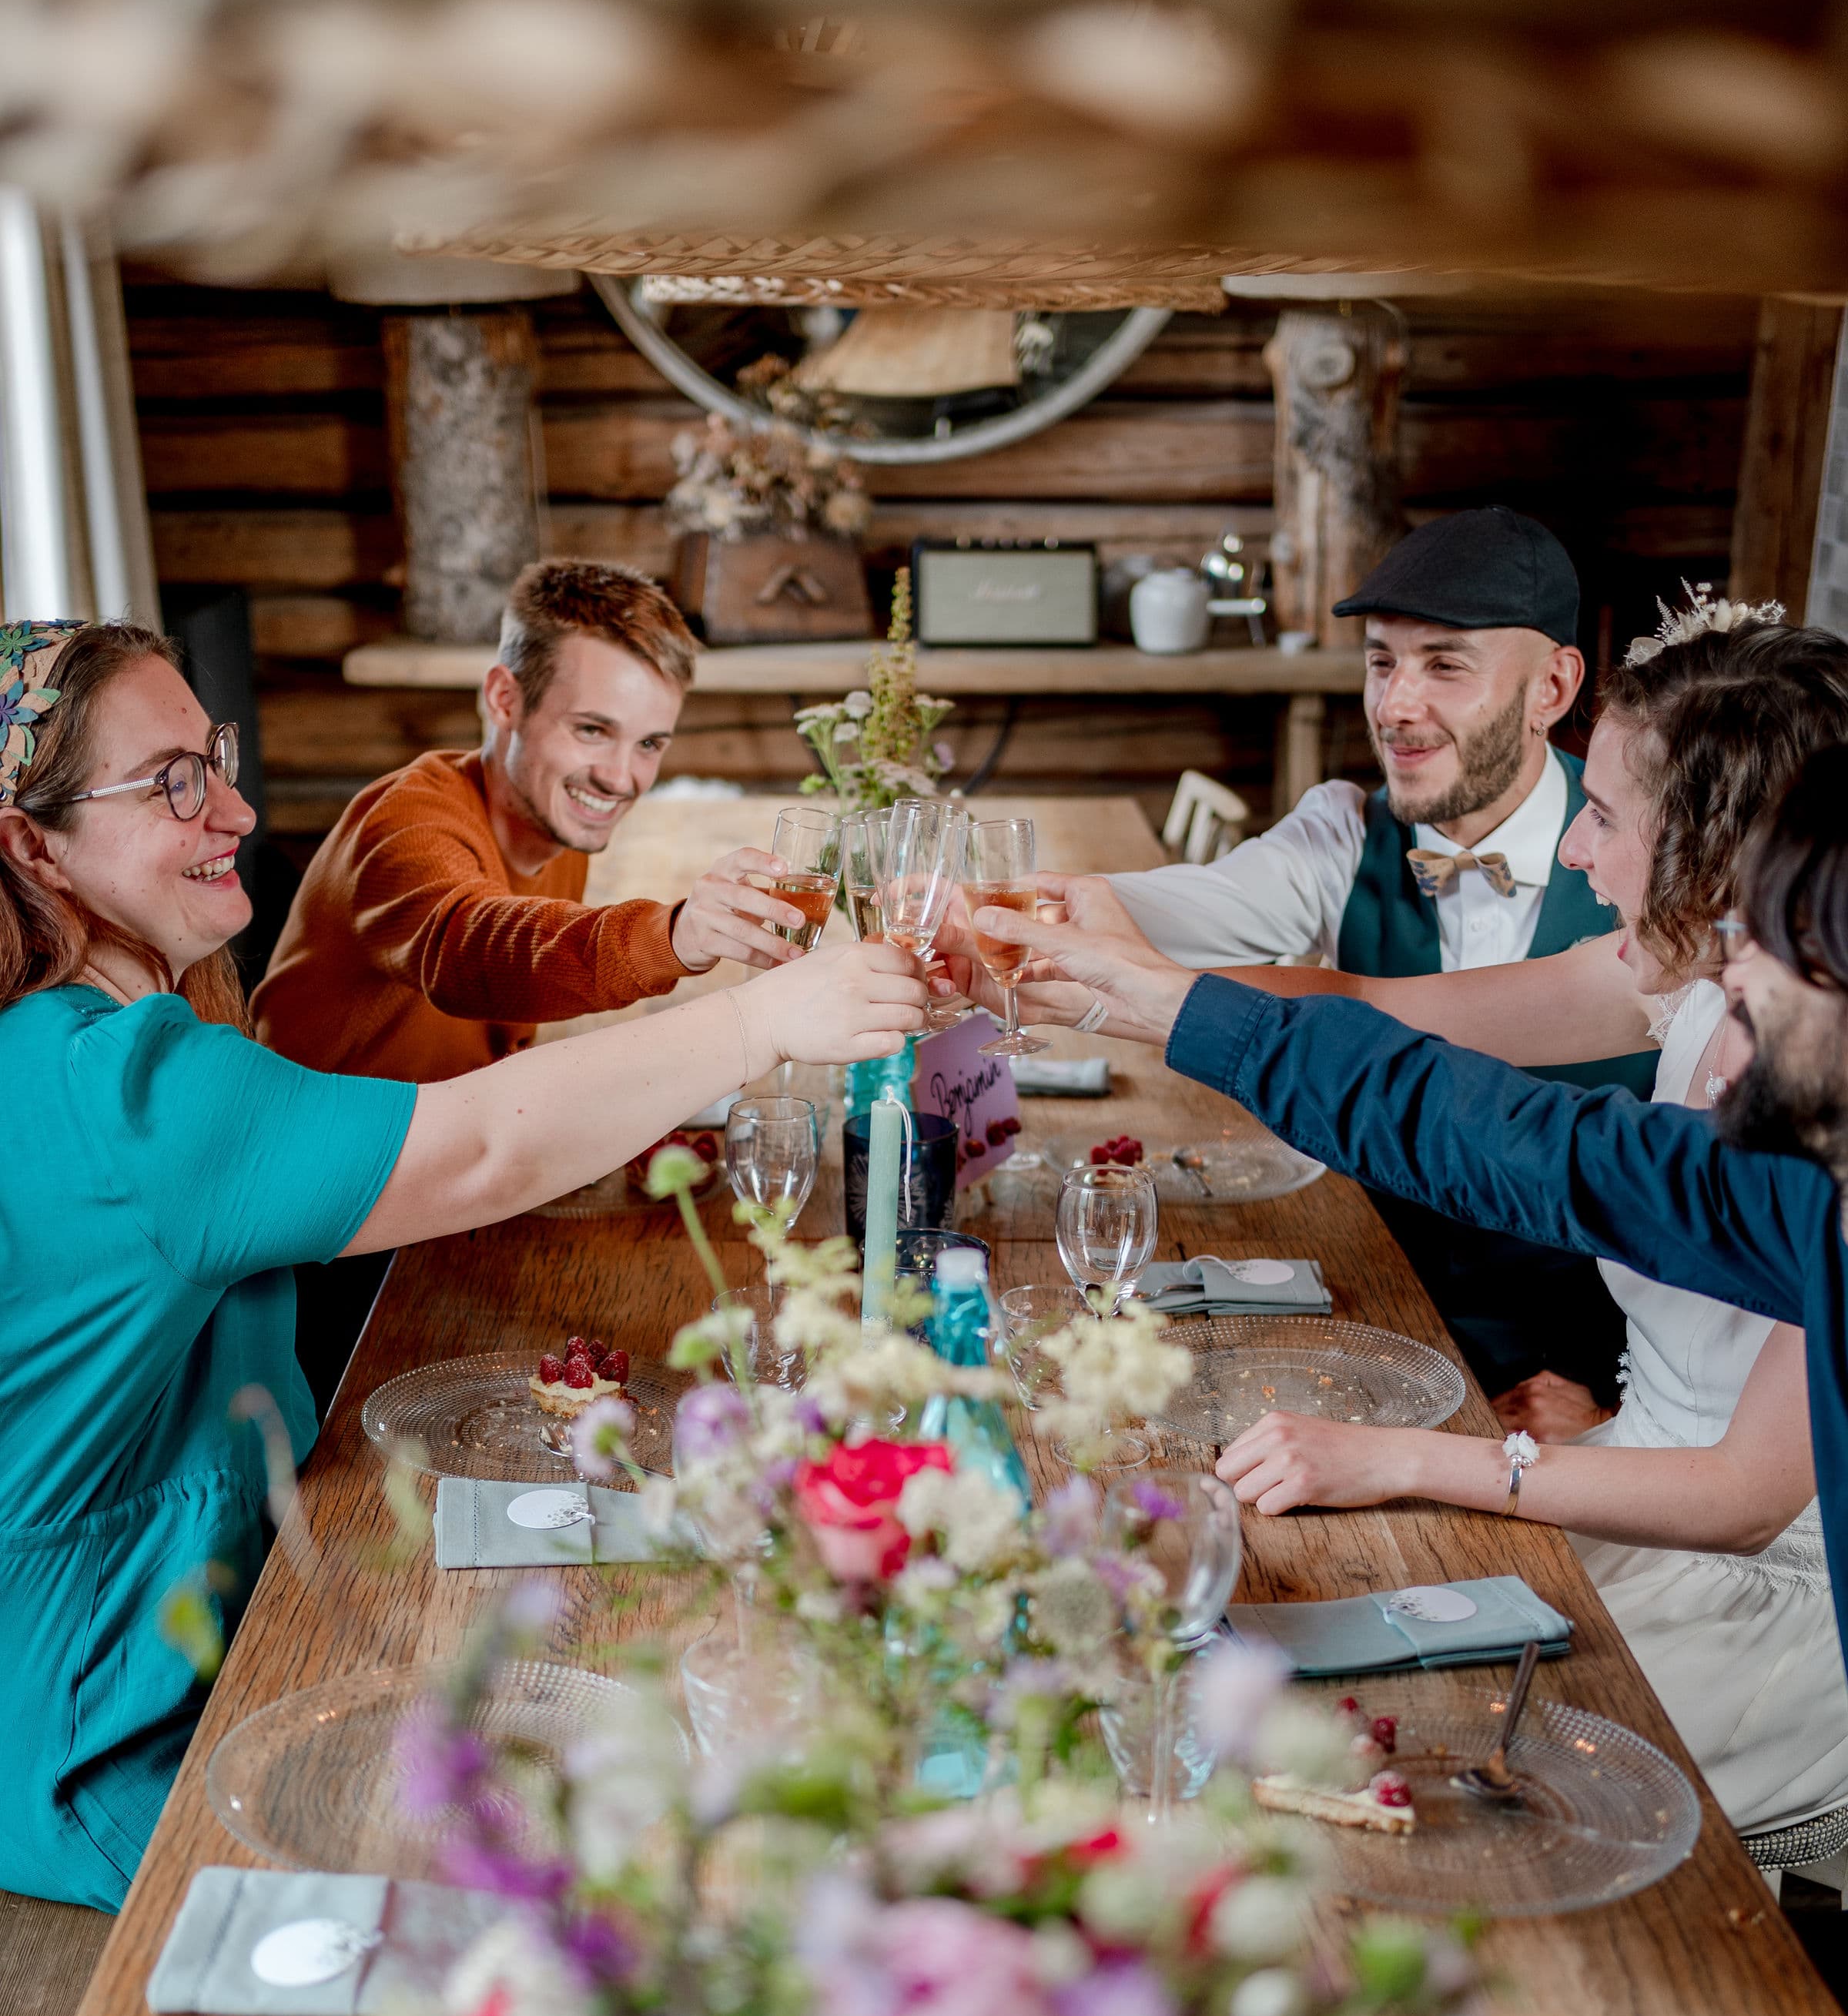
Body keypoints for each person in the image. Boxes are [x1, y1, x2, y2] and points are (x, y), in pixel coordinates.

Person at [0, 619, 922, 1912]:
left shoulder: (68, 1036)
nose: (237, 806)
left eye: (212, 760)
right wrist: (764, 1020)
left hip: (181, 1617)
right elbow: (480, 1146)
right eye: (171, 782)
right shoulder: (126, 1091)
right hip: (102, 1731)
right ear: (33, 844)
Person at [1014, 606, 1848, 1868]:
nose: (1572, 848)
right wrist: (1136, 983)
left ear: (1729, 854)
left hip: (1766, 1596)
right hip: (1622, 1472)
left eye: (1608, 815)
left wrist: (1446, 1458)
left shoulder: (1815, 1111)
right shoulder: (1699, 990)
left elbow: (1535, 1157)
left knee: (1340, 1754)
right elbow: (1416, 1053)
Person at [1094, 507, 1659, 1405]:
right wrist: (991, 904)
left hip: (1574, 1383)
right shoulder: (1340, 833)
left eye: (1444, 665)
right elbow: (1164, 909)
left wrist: (1608, 1397)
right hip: (1368, 1328)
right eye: (1383, 661)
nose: (1395, 707)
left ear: (1552, 688)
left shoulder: (1649, 872)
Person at [256, 558, 834, 1412]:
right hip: (318, 1261)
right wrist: (674, 933)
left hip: (435, 1210)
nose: (622, 778)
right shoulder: (407, 826)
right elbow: (475, 952)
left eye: (650, 744)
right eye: (592, 731)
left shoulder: (550, 823)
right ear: (504, 700)